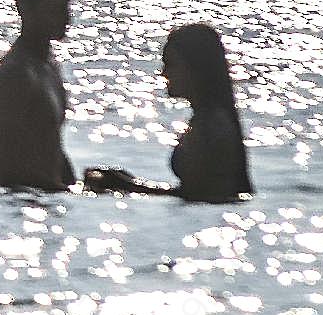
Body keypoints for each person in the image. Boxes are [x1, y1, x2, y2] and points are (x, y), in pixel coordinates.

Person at [83, 23, 254, 202]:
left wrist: (127, 185)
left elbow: (195, 194)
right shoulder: (208, 119)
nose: (164, 73)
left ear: (194, 69)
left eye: (171, 65)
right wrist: (128, 181)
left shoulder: (211, 125)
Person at [0, 0, 77, 191]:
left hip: (52, 199)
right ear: (25, 9)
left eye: (67, 6)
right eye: (54, 8)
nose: (66, 17)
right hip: (19, 205)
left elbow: (49, 145)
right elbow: (5, 168)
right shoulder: (15, 75)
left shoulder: (48, 65)